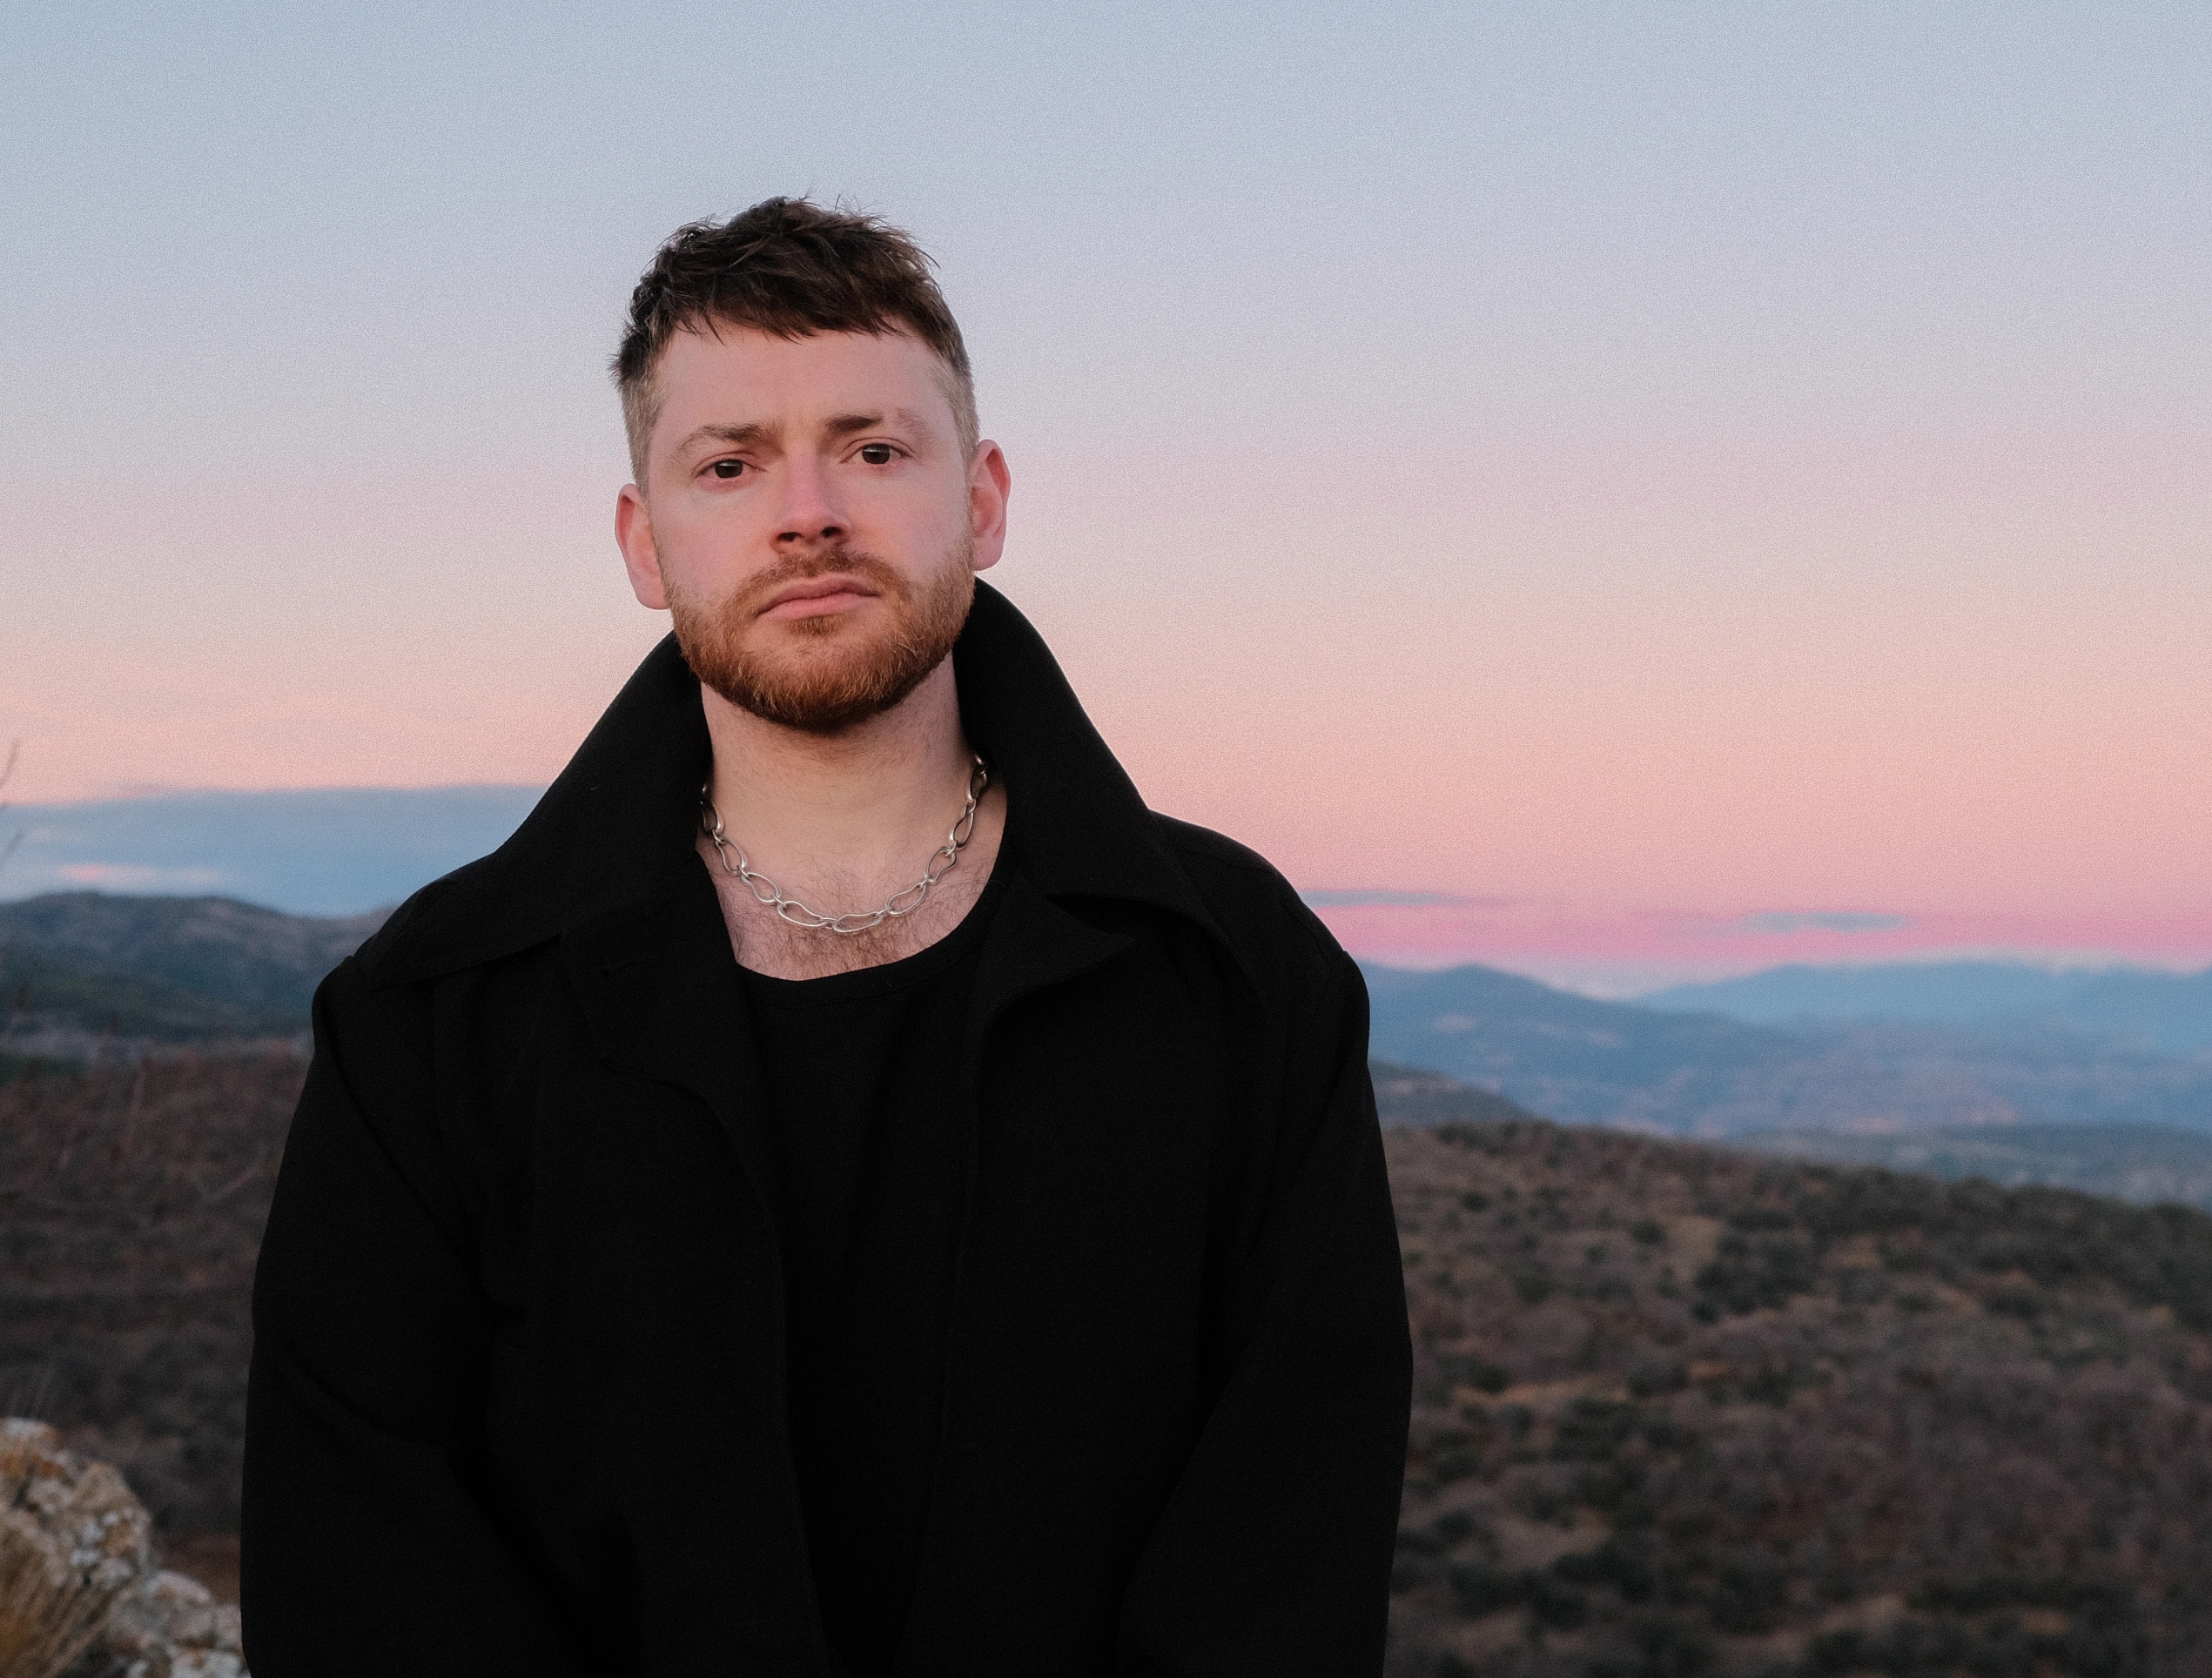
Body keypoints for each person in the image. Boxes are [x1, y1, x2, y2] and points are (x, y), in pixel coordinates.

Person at [242, 198, 1411, 1675]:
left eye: (873, 447)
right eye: (729, 464)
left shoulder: (1242, 978)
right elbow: (363, 1577)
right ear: (644, 539)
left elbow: (1283, 1563)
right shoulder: (434, 1020)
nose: (809, 512)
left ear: (982, 501)